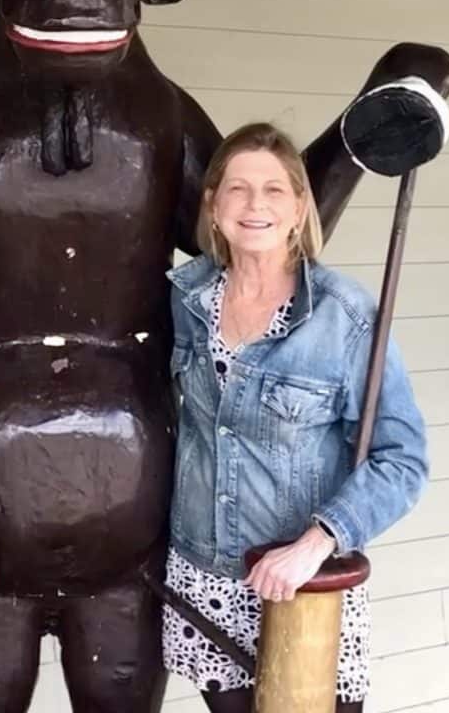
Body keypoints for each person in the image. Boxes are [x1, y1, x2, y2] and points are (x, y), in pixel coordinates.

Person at [162, 122, 428, 713]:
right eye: (237, 188)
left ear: (300, 205)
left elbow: (402, 460)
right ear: (213, 204)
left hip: (305, 583)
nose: (254, 205)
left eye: (274, 190)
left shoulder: (346, 316)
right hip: (205, 576)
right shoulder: (183, 300)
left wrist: (318, 541)